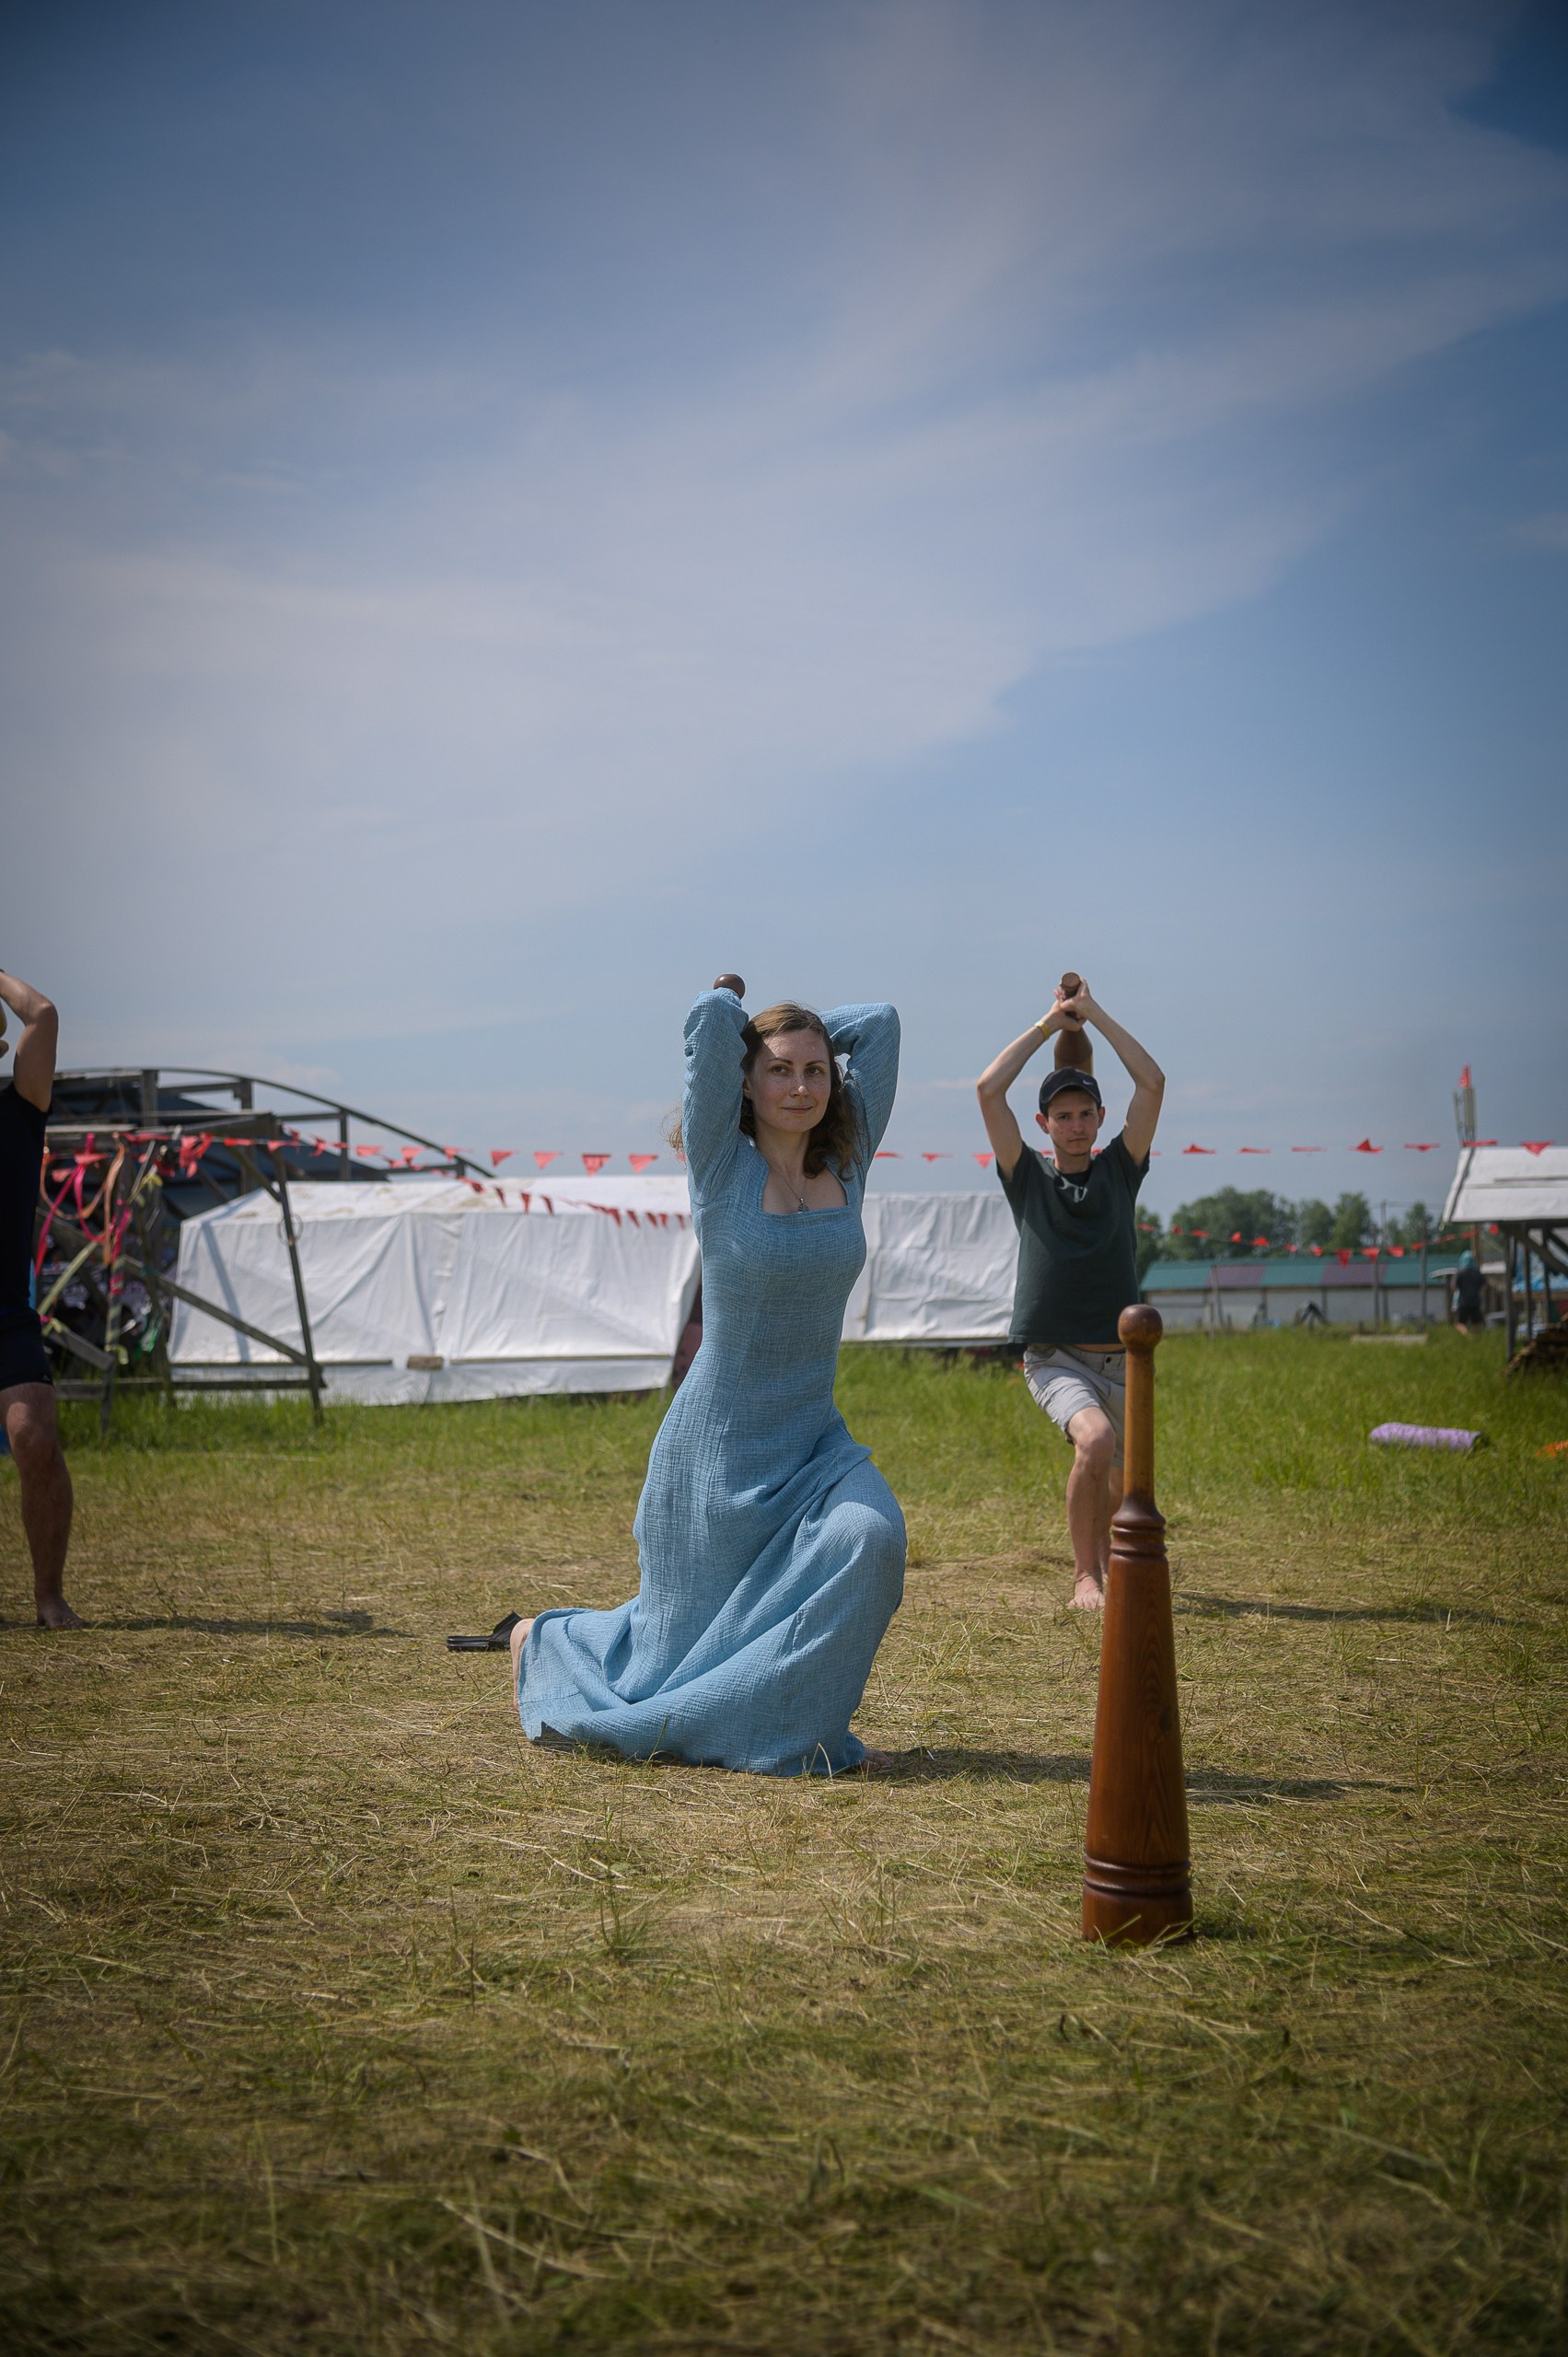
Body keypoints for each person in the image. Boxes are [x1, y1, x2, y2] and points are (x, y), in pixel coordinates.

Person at [504, 979, 906, 1774]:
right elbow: (710, 1027)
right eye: (779, 1070)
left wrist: (804, 1030)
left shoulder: (848, 1162)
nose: (801, 1087)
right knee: (659, 1660)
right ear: (744, 1084)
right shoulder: (721, 1166)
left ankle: (791, 1734)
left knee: (872, 1538)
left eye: (816, 1071)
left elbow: (881, 1026)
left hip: (813, 1444)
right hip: (716, 1456)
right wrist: (735, 1011)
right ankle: (540, 1641)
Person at [976, 976, 1164, 1610]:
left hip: (1123, 1362)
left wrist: (1093, 1014)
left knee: (1119, 1481)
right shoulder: (1026, 1176)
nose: (1075, 1125)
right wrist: (1050, 1025)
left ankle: (1109, 1562)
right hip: (1055, 1356)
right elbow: (988, 1089)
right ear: (1044, 1124)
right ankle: (1086, 1577)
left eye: (1085, 1114)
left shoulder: (1121, 1169)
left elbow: (1152, 1083)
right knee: (1096, 1442)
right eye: (1063, 1116)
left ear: (1101, 1119)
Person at [0, 966, 79, 1629]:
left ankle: (48, 1597)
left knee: (34, 1439)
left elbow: (43, 1014)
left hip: (5, 1314)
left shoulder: (21, 1105)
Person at [1452, 1250, 1486, 1335]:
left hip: (1463, 1302)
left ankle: (1466, 1335)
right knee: (1476, 1323)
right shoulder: (1477, 1273)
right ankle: (1476, 1339)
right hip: (1476, 1302)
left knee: (1459, 1323)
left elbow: (1454, 1286)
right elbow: (1484, 1286)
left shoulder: (1460, 1273)